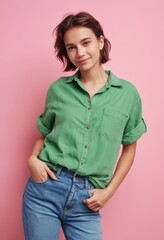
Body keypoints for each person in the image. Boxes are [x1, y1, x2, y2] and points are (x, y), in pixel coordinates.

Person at [22, 11, 147, 240]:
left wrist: (108, 192)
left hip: (86, 200)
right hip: (44, 190)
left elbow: (130, 147)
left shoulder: (128, 94)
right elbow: (45, 134)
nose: (79, 53)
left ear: (100, 42)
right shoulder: (58, 90)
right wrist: (32, 159)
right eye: (71, 47)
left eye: (86, 43)